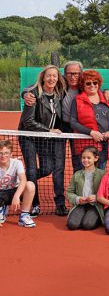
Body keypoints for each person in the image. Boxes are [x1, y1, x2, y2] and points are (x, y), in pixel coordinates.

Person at [22, 61, 109, 172]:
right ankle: (56, 188)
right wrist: (25, 93)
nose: (73, 76)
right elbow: (34, 87)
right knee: (58, 163)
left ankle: (79, 181)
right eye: (69, 73)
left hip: (80, 128)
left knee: (79, 157)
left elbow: (96, 88)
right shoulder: (60, 84)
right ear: (64, 74)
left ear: (81, 73)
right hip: (62, 126)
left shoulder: (85, 85)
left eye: (76, 73)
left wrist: (107, 91)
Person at [18, 65, 67, 216]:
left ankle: (21, 183)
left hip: (45, 138)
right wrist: (49, 130)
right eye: (48, 76)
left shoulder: (60, 95)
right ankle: (35, 204)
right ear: (43, 78)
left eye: (54, 76)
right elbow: (28, 122)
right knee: (32, 169)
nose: (51, 78)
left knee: (47, 168)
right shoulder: (33, 94)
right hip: (29, 136)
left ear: (58, 78)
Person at [70, 69, 109, 170]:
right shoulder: (77, 100)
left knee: (100, 175)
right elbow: (73, 122)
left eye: (95, 82)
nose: (92, 85)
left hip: (105, 144)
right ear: (83, 86)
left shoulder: (107, 98)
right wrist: (91, 132)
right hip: (86, 146)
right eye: (88, 83)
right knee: (86, 177)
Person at [66, 146, 105, 230]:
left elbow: (107, 192)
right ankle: (83, 216)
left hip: (96, 205)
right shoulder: (77, 174)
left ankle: (95, 217)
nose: (85, 160)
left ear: (96, 158)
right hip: (81, 204)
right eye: (83, 158)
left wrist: (96, 197)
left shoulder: (103, 174)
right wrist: (78, 199)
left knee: (87, 225)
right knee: (72, 225)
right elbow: (69, 192)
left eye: (88, 158)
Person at [0, 140, 36, 228]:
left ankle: (24, 216)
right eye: (0, 153)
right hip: (1, 193)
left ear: (11, 154)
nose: (3, 156)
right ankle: (2, 207)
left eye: (6, 153)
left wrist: (16, 196)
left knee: (30, 185)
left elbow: (23, 180)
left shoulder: (17, 163)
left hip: (14, 192)